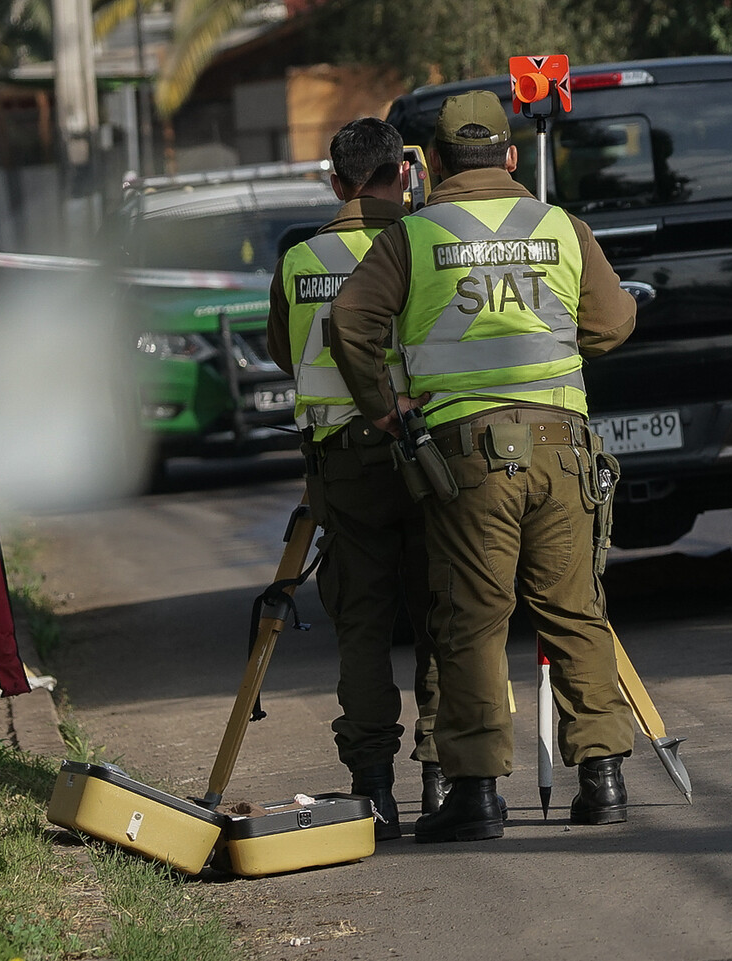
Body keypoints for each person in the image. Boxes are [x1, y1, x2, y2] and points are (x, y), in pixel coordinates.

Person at [328, 90, 637, 843]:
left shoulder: (414, 237)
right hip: (562, 448)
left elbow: (350, 322)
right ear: (509, 156)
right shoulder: (560, 226)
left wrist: (384, 408)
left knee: (472, 619)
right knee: (574, 608)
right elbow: (613, 322)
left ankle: (477, 794)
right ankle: (602, 778)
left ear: (432, 162)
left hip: (468, 459)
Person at [266, 117, 444, 841]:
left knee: (363, 628)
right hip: (426, 453)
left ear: (336, 183)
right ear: (403, 174)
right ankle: (442, 779)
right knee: (442, 615)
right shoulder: (424, 244)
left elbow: (285, 353)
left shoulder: (298, 260)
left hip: (342, 465)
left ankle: (374, 791)